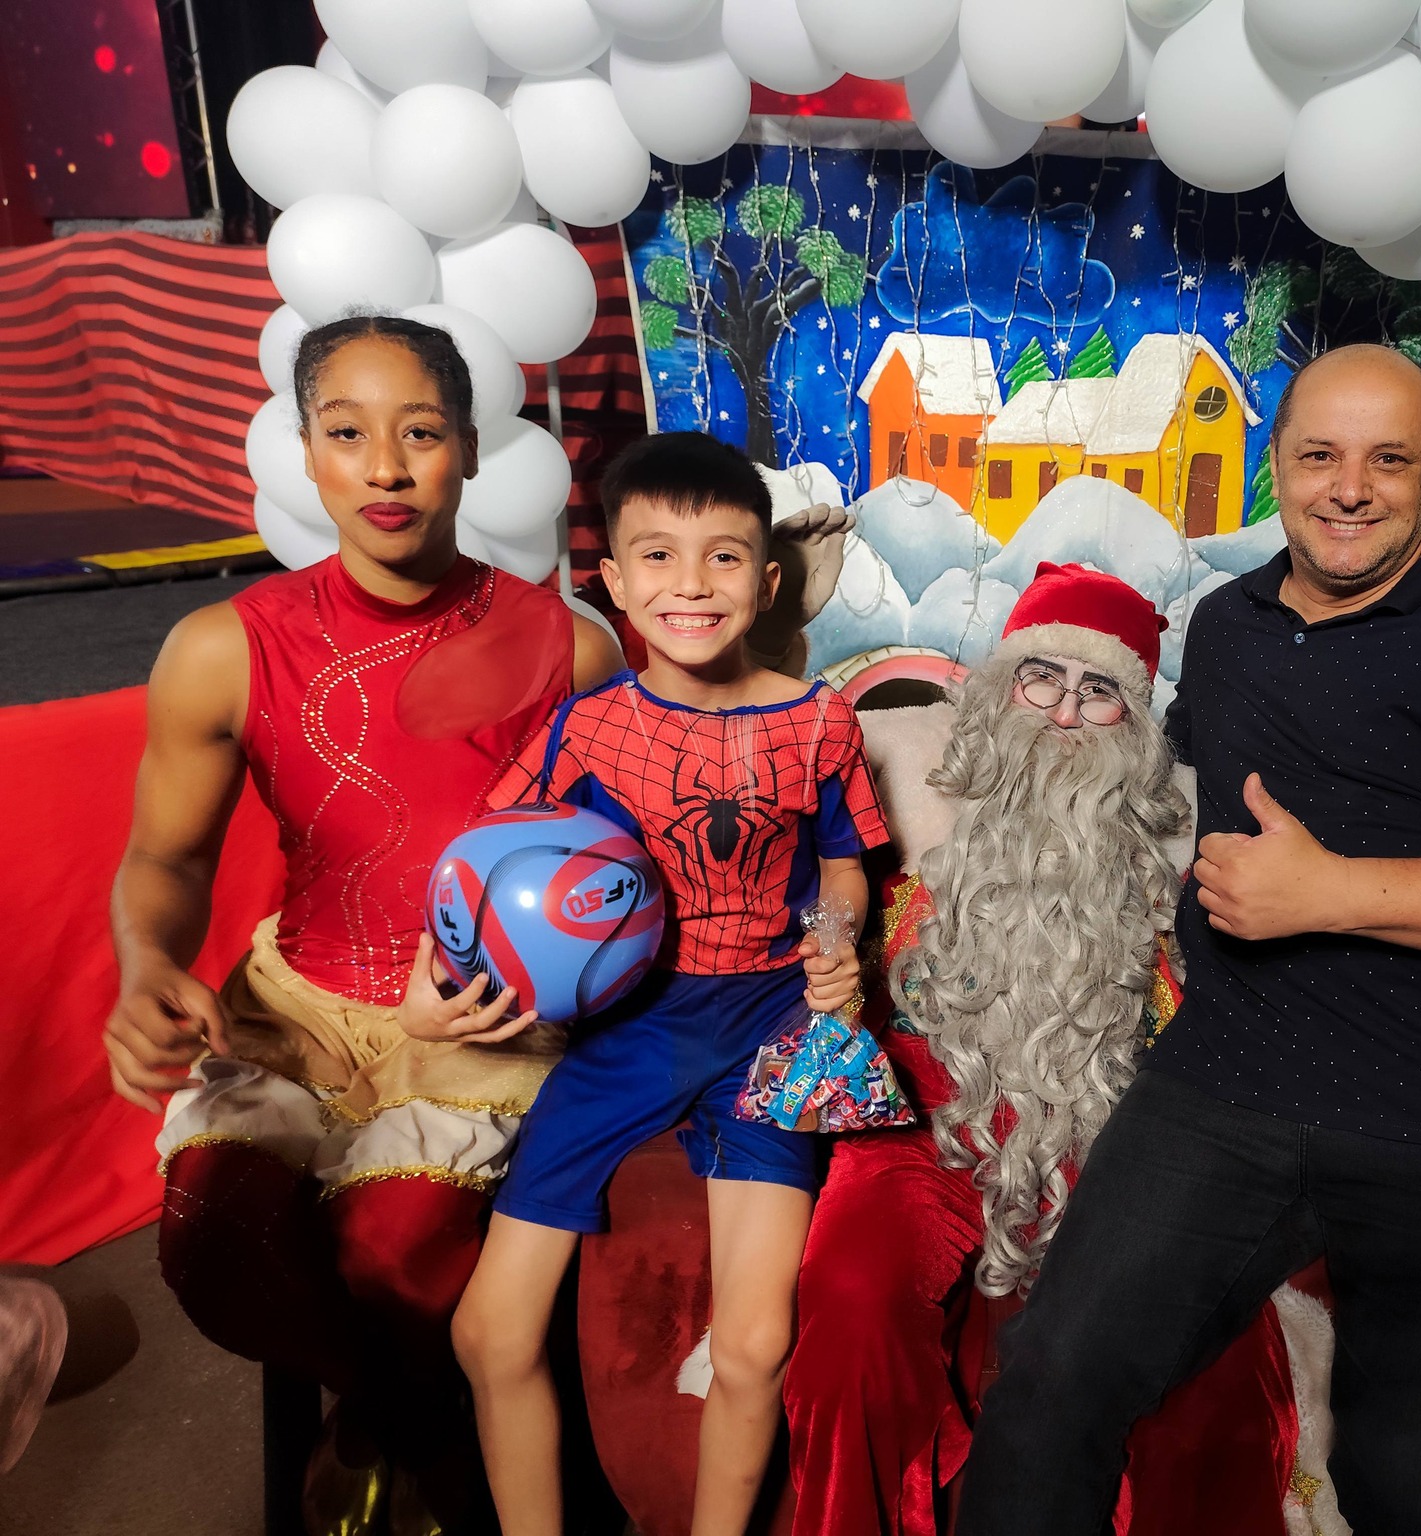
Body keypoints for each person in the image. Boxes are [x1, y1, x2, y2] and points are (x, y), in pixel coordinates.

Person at [954, 344, 1421, 1536]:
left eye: (1386, 460)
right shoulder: (1229, 626)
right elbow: (1143, 789)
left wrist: (1328, 893)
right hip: (1230, 1082)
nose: (1348, 489)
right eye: (1318, 455)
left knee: (1415, 1489)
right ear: (1276, 461)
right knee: (1048, 1393)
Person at [102, 315, 623, 1529]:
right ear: (305, 451)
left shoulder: (574, 652)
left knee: (398, 1250)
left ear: (471, 452)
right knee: (209, 1240)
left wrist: (549, 996)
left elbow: (608, 884)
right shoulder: (220, 648)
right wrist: (145, 960)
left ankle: (401, 1440)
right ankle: (409, 1417)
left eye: (420, 433)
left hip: (485, 1027)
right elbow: (165, 857)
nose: (384, 468)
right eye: (347, 434)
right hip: (300, 1013)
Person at [431, 431, 890, 1536]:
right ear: (615, 582)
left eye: (722, 557)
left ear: (765, 582)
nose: (691, 584)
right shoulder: (589, 728)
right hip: (630, 1029)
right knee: (487, 1331)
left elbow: (844, 866)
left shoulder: (820, 720)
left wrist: (836, 937)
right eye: (658, 557)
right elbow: (485, 862)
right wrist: (429, 986)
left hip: (773, 1027)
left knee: (754, 1347)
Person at [783, 562, 1299, 1536]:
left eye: (1098, 691)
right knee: (849, 1306)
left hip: (1113, 1141)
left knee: (1208, 1368)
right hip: (924, 1129)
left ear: (1134, 724)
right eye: (1041, 678)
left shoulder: (1188, 848)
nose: (1063, 712)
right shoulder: (903, 799)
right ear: (998, 688)